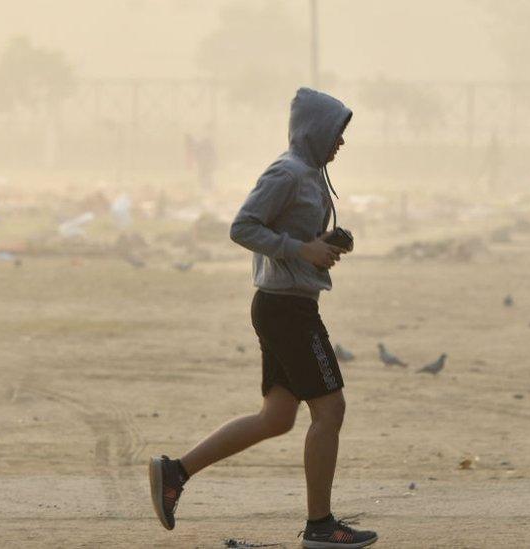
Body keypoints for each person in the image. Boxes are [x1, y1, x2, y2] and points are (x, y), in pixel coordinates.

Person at [149, 88, 378, 548]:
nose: (341, 142)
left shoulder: (310, 174)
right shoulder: (287, 171)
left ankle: (175, 472)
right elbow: (243, 226)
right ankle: (320, 526)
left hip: (287, 304)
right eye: (336, 132)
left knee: (276, 417)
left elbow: (287, 235)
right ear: (315, 130)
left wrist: (323, 243)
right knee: (330, 410)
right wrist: (303, 249)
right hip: (286, 309)